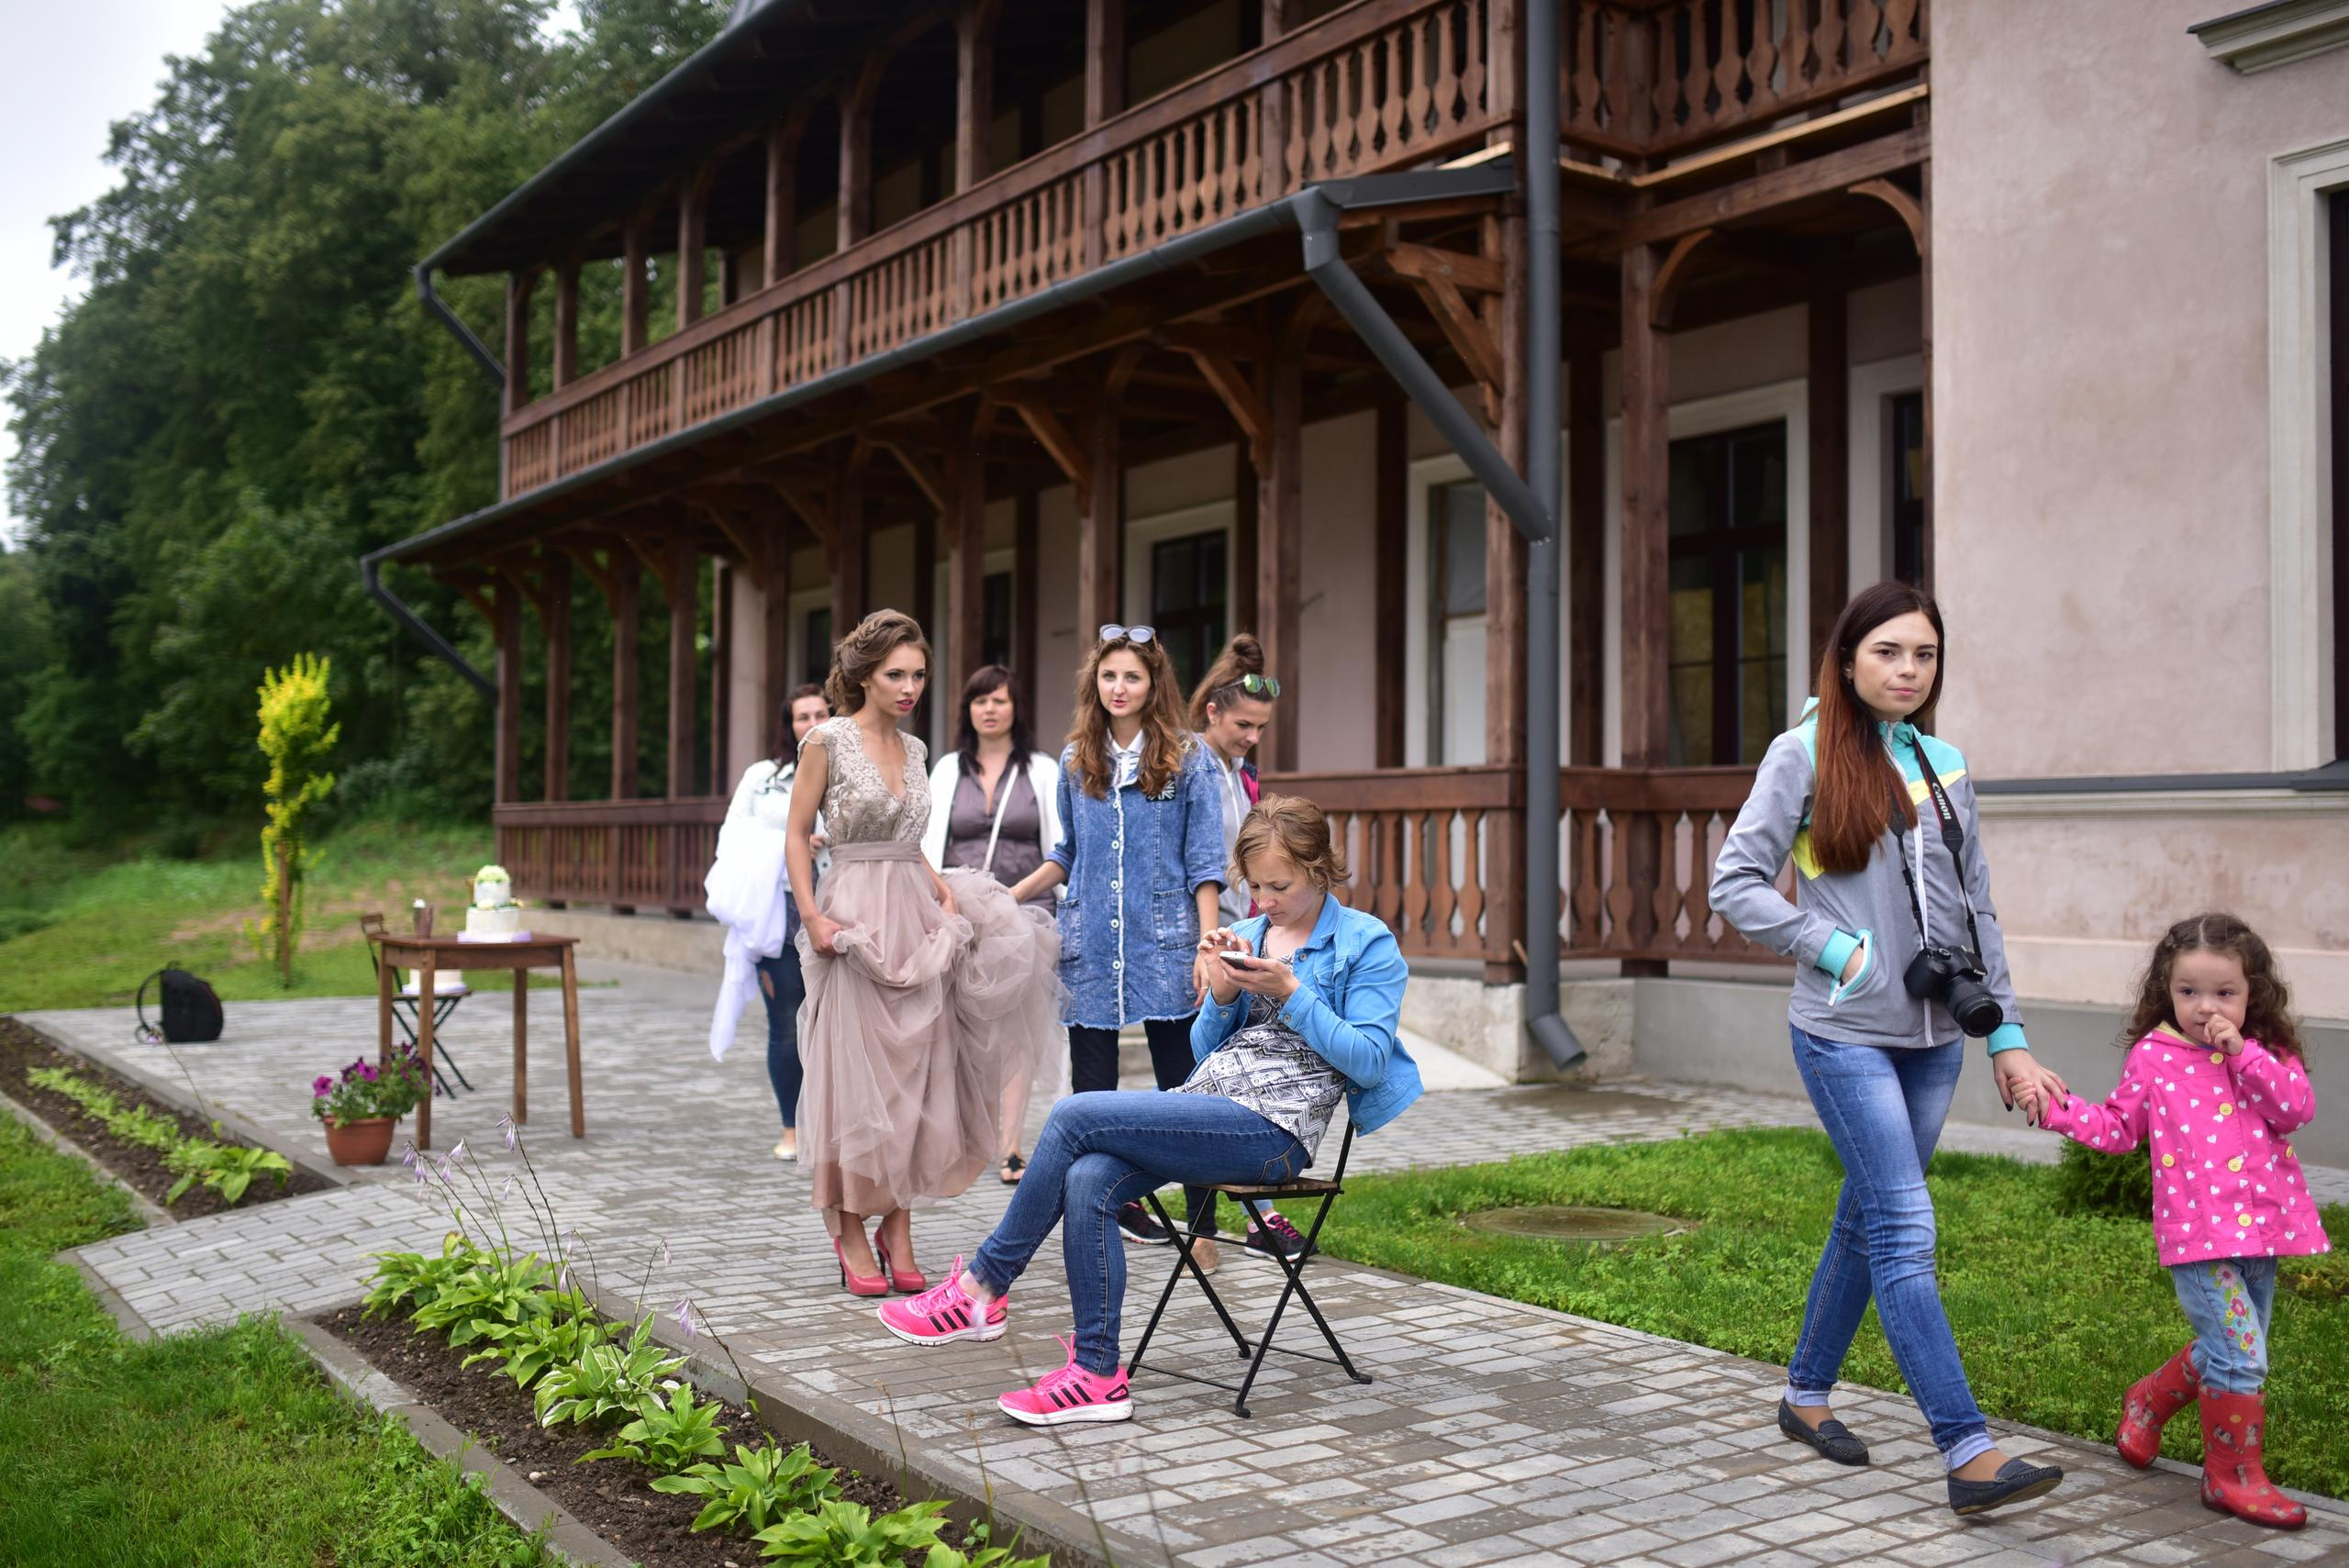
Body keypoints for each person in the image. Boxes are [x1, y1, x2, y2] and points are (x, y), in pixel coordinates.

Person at [876, 795, 1419, 1429]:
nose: (1264, 900)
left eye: (1281, 885)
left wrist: (1292, 992)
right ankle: (1098, 1375)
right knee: (1087, 1177)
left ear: (1320, 868)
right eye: (1256, 885)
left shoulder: (1365, 942)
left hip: (1275, 1133)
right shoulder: (1251, 936)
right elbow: (1204, 1053)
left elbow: (1371, 1060)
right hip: (1210, 1107)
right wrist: (1219, 994)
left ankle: (982, 1287)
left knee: (1075, 1115)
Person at [1709, 580, 2070, 1518]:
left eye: (1924, 654)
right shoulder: (1802, 754)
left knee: (1868, 1220)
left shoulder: (1946, 764)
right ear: (1847, 657)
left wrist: (2008, 1038)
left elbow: (1977, 909)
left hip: (1938, 1037)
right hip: (1842, 1034)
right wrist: (1833, 947)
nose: (1907, 670)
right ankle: (1967, 1448)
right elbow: (1734, 881)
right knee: (1906, 1226)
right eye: (1888, 652)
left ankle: (1804, 1392)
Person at [787, 611, 1061, 1297]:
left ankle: (898, 1223)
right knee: (858, 1078)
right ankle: (848, 1220)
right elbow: (796, 835)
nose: (909, 687)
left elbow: (911, 845)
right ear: (863, 675)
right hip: (853, 917)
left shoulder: (914, 750)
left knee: (917, 1075)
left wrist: (941, 891)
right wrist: (813, 915)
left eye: (917, 675)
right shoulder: (826, 739)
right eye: (895, 674)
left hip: (914, 910)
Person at [2029, 913, 2324, 1530]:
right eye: (2188, 991)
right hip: (2198, 1236)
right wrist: (2056, 1109)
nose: (2204, 1006)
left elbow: (2295, 1109)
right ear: (2167, 989)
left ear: (2253, 994)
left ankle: (2148, 1399)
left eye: (2224, 993)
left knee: (2237, 1347)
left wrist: (2243, 1053)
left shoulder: (2264, 1052)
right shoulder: (2155, 1058)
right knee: (2241, 1355)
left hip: (2260, 1231)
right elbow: (2117, 1128)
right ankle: (2232, 1477)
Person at [1006, 625, 1229, 1267]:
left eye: (1132, 676)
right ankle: (1097, 1220)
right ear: (1094, 684)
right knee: (1092, 1099)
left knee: (1185, 1091)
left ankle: (1203, 1226)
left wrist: (1208, 944)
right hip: (1092, 949)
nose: (1120, 687)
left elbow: (1204, 860)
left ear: (1153, 683)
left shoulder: (1186, 759)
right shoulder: (1078, 760)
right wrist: (1011, 895)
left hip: (1168, 945)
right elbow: (1067, 854)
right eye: (1109, 676)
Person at [1186, 632, 1308, 1262]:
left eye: (1260, 727)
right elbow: (1199, 863)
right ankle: (1241, 1218)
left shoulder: (1244, 774)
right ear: (1211, 712)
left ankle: (1254, 1211)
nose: (1251, 736)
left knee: (1241, 1078)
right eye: (1242, 724)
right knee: (1211, 1079)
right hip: (1205, 940)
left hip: (1242, 935)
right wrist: (1205, 948)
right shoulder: (1190, 765)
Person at [921, 665, 1065, 1184]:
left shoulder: (1044, 770)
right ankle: (965, 1135)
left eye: (999, 700)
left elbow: (1059, 844)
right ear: (968, 710)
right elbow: (927, 844)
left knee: (1017, 1032)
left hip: (1029, 914)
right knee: (960, 1030)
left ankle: (1009, 1146)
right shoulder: (945, 769)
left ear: (1015, 708)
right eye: (979, 700)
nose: (989, 709)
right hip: (960, 915)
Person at [710, 684, 832, 1162]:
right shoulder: (763, 776)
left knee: (836, 1023)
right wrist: (791, 841)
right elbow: (731, 834)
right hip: (776, 910)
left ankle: (831, 1125)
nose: (813, 721)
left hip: (839, 900)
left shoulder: (851, 769)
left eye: (821, 712)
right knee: (786, 1022)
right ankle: (791, 1128)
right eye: (803, 716)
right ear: (790, 724)